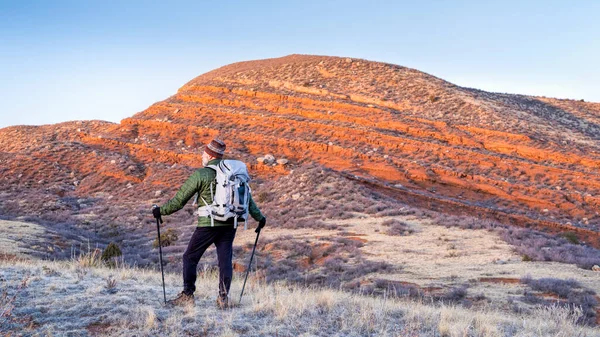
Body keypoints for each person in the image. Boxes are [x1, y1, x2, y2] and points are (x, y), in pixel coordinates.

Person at [152, 138, 266, 308]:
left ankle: (187, 295)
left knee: (190, 257)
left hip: (208, 224)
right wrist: (260, 218)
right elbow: (248, 200)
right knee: (224, 261)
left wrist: (160, 210)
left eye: (203, 154)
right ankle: (223, 298)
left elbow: (179, 201)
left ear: (210, 156)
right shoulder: (232, 174)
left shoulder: (202, 174)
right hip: (230, 224)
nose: (202, 156)